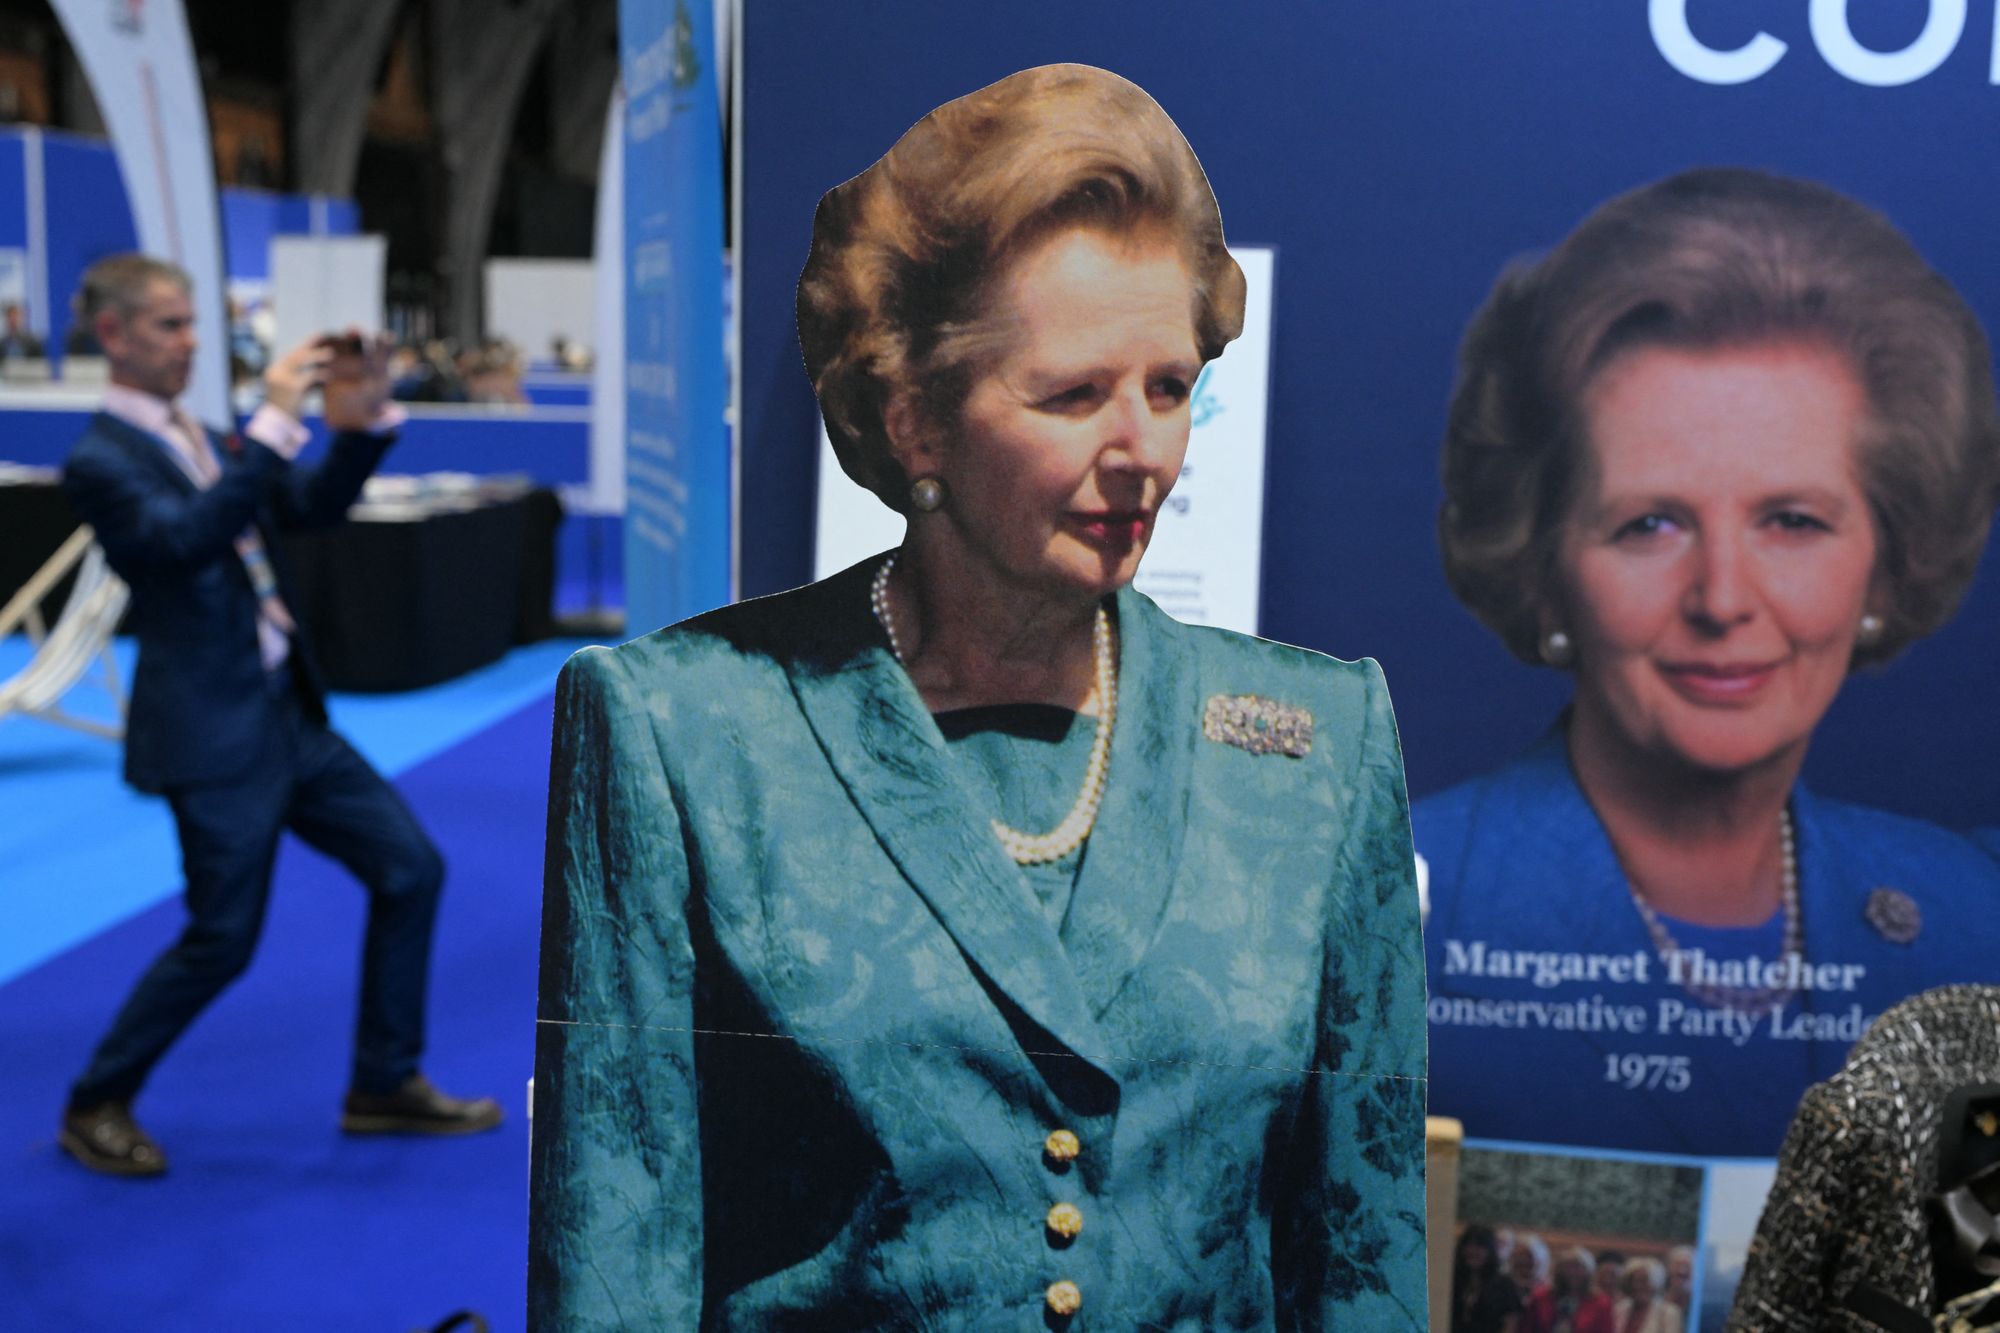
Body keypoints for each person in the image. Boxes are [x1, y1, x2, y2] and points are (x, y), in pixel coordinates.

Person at [529, 64, 1427, 1328]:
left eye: (1170, 387)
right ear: (915, 421)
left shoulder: (1317, 748)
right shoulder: (686, 731)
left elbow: (1365, 1255)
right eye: (1072, 394)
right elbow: (614, 1253)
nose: (1141, 450)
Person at [1418, 168, 2000, 1156]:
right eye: (1649, 524)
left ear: (1886, 556)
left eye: (1792, 520)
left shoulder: (1970, 914)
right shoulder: (1392, 905)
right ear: (1544, 565)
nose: (1722, 598)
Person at [56, 254, 500, 1176]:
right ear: (113, 335)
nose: (190, 343)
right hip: (212, 734)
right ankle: (95, 1100)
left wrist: (356, 424)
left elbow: (305, 507)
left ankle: (383, 1080)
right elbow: (183, 543)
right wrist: (268, 424)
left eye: (193, 323)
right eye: (169, 325)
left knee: (410, 869)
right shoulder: (100, 460)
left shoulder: (205, 434)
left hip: (288, 717)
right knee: (222, 939)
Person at [1522, 1246, 1614, 1333]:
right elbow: (1527, 1328)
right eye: (1567, 1267)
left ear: (1588, 1271)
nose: (1572, 1272)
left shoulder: (1601, 1303)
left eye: (1578, 1267)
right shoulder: (1540, 1297)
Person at [1454, 1224, 1524, 1333]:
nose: (1472, 1251)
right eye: (1468, 1245)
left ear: (1490, 1250)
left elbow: (1511, 1322)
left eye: (1479, 1246)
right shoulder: (1453, 1280)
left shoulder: (1504, 1284)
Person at [1611, 1259, 1682, 1333]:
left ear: (1654, 1283)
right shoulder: (1619, 1310)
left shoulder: (1668, 1313)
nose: (1637, 1286)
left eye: (1643, 1281)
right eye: (1633, 1281)